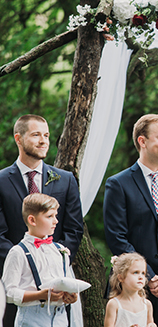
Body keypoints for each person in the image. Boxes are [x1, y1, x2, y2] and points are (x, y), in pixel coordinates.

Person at [0, 114, 84, 326]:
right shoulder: (0, 181)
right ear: (18, 139)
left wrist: (56, 269)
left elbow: (74, 229)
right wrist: (24, 264)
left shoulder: (65, 179)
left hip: (58, 284)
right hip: (14, 278)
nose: (43, 140)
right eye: (36, 135)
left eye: (46, 135)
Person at [103, 114, 158, 326]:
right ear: (142, 141)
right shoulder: (118, 184)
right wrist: (147, 277)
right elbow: (117, 238)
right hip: (129, 291)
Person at [1, 193, 78, 326]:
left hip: (61, 318)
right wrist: (39, 295)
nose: (56, 221)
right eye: (49, 216)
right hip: (32, 318)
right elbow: (8, 292)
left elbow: (67, 281)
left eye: (55, 215)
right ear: (32, 220)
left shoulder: (60, 250)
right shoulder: (18, 252)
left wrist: (71, 296)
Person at [104, 253, 157, 327]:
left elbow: (150, 323)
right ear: (121, 277)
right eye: (136, 272)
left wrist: (152, 325)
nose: (141, 277)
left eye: (143, 273)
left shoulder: (147, 304)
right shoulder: (114, 304)